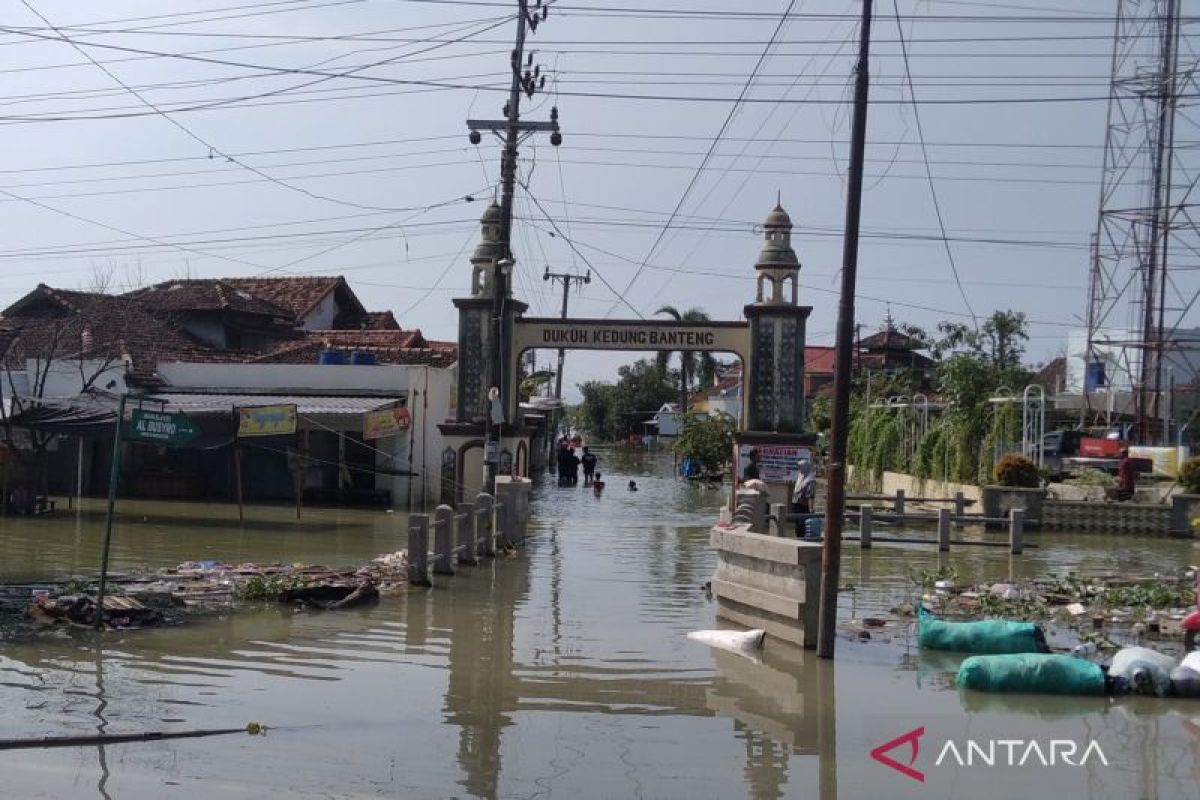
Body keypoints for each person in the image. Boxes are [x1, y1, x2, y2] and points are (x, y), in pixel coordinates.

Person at [791, 458, 817, 536]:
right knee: (797, 523)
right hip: (796, 503)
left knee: (802, 524)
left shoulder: (810, 480)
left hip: (803, 505)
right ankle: (798, 537)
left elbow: (810, 495)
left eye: (801, 467)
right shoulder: (801, 475)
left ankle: (802, 538)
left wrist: (811, 508)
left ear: (805, 467)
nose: (799, 469)